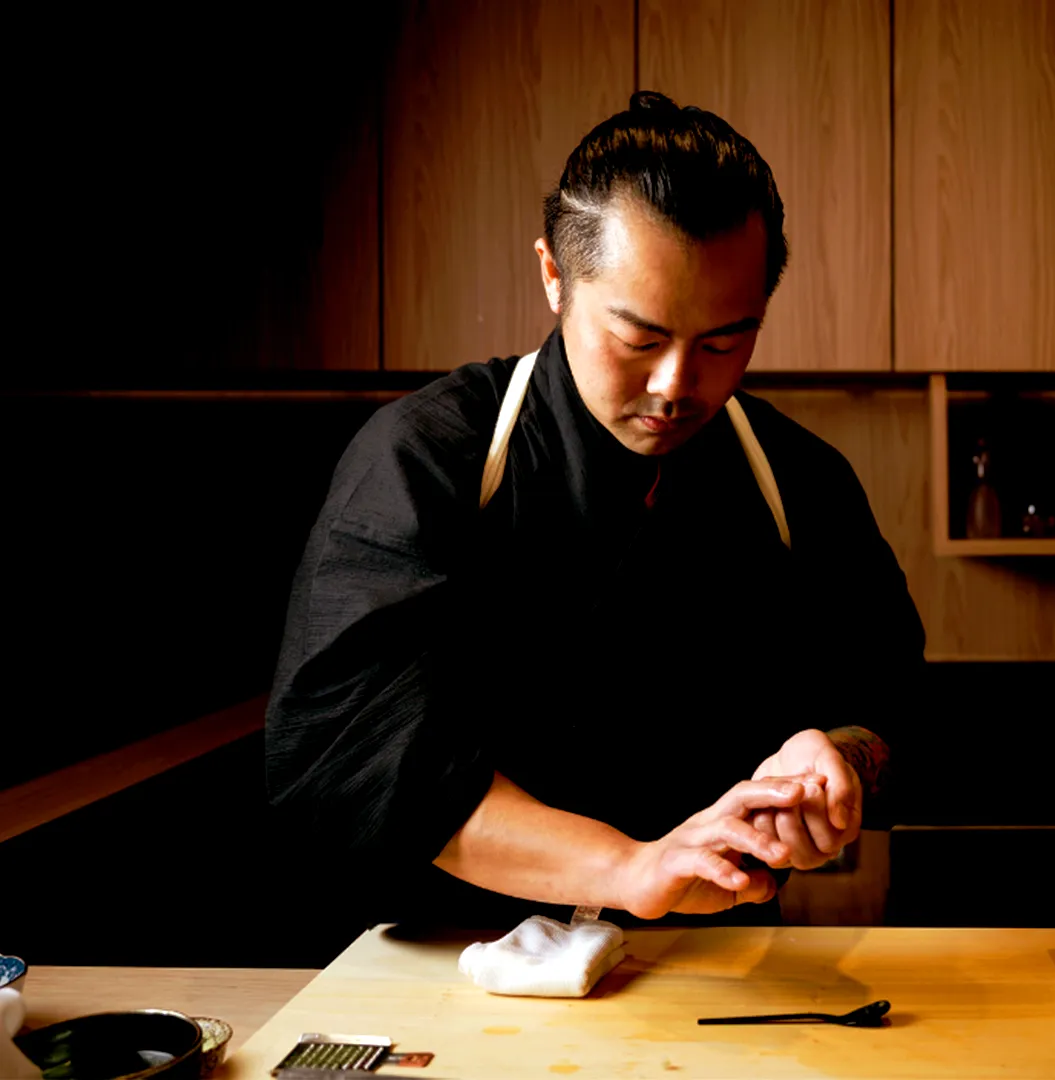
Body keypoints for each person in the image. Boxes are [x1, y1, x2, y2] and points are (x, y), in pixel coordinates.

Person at [264, 91, 925, 930]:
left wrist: (834, 760)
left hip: (715, 965)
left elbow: (891, 705)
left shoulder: (798, 479)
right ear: (554, 275)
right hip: (453, 960)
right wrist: (627, 868)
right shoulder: (425, 458)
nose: (676, 386)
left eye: (725, 341)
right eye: (639, 338)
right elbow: (352, 748)